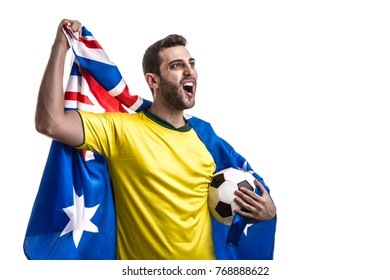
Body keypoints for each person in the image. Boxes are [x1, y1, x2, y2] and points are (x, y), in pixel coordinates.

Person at [35, 19, 277, 260]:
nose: (189, 70)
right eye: (177, 65)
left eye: (191, 64)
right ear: (153, 81)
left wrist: (268, 210)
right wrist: (60, 46)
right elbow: (51, 122)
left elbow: (245, 187)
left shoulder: (206, 138)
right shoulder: (121, 130)